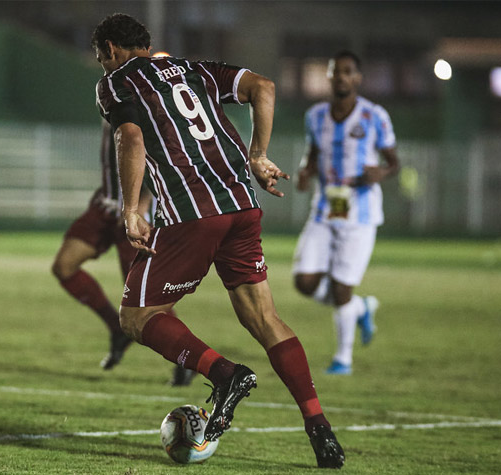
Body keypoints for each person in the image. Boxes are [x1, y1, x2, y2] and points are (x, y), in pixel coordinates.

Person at [92, 13, 344, 468]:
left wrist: (132, 210)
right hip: (242, 206)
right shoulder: (196, 69)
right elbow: (263, 87)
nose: (101, 65)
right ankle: (319, 426)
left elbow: (130, 137)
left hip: (191, 214)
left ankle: (224, 374)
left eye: (99, 57)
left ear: (111, 50)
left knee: (136, 316)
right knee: (265, 318)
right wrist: (258, 155)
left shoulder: (117, 81)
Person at [51, 121, 196, 386]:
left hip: (134, 213)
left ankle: (186, 358)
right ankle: (117, 331)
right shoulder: (111, 92)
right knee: (64, 266)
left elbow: (160, 155)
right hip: (105, 205)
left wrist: (140, 206)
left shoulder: (140, 95)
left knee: (144, 298)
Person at [293, 51, 399, 376]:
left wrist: (378, 174)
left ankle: (343, 359)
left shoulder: (374, 116)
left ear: (357, 78)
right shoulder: (315, 116)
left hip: (360, 213)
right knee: (305, 281)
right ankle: (360, 307)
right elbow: (311, 154)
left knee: (341, 288)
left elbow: (394, 162)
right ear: (329, 76)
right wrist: (304, 172)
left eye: (347, 71)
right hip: (325, 209)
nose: (341, 76)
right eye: (335, 71)